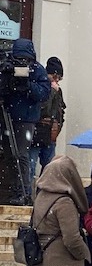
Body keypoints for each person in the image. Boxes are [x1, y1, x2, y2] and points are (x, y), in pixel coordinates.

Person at [1, 39, 51, 205]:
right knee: (9, 155)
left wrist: (28, 85)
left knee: (21, 155)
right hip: (8, 115)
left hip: (27, 119)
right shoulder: (7, 67)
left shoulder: (37, 70)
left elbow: (44, 94)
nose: (21, 64)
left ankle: (23, 191)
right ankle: (13, 191)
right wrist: (8, 79)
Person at [29, 56, 65, 177]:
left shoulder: (58, 91)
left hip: (50, 135)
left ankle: (44, 194)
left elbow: (60, 112)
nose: (57, 80)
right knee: (30, 169)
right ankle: (28, 194)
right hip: (37, 133)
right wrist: (51, 92)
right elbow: (43, 109)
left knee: (49, 171)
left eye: (59, 78)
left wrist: (58, 128)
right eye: (55, 77)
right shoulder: (42, 87)